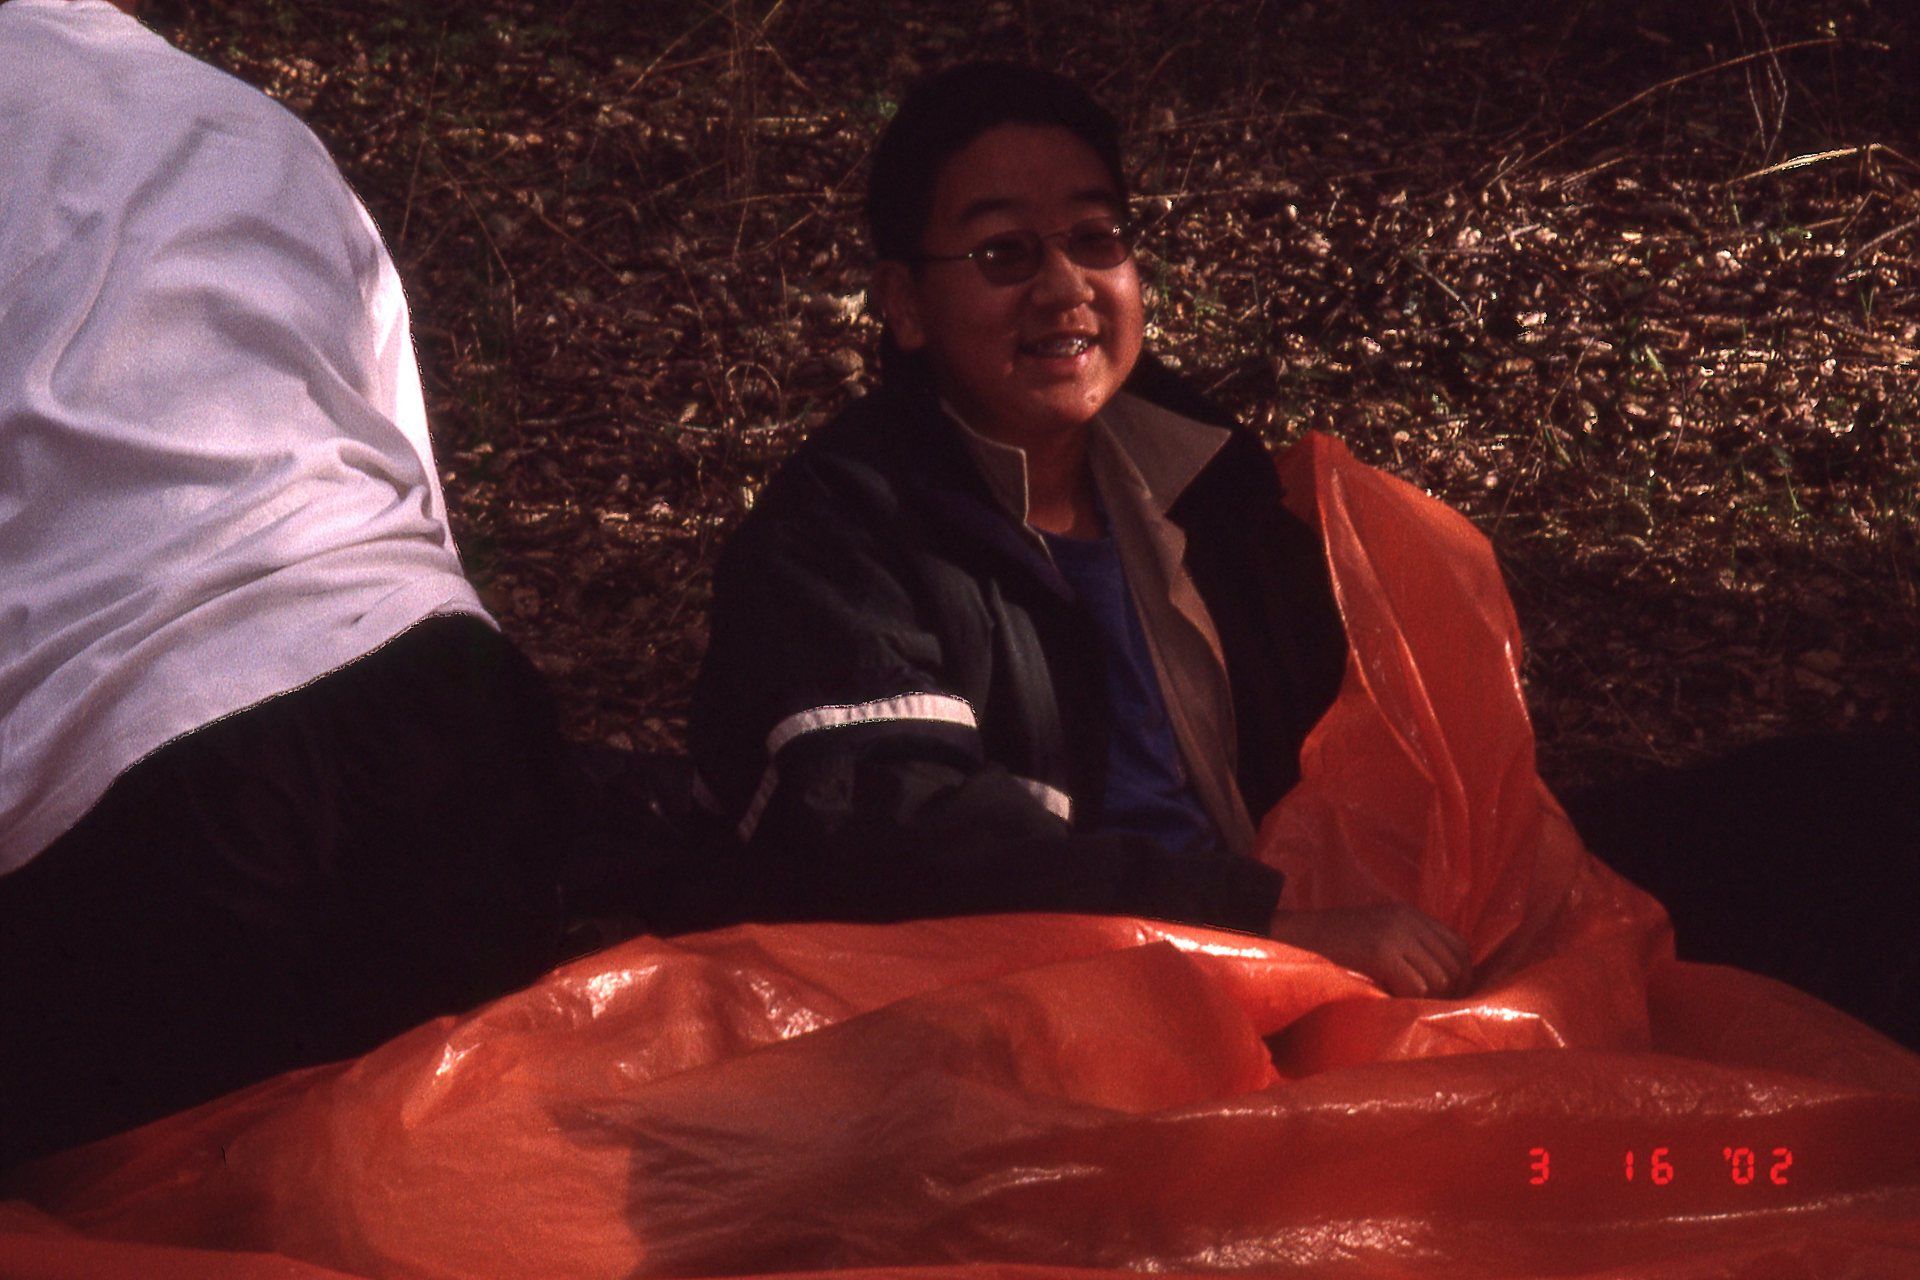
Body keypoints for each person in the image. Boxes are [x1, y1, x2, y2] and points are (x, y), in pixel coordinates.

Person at [688, 63, 1473, 999]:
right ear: (904, 304)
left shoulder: (1201, 473)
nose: (1065, 289)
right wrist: (1269, 933)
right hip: (1007, 1018)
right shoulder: (837, 534)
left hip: (1272, 971)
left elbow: (1356, 749)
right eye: (1003, 253)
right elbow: (907, 843)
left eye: (1095, 239)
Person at [0, 0, 574, 1166]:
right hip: (439, 698)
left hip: (143, 764)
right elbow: (394, 438)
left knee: (137, 1219)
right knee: (462, 1191)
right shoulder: (245, 122)